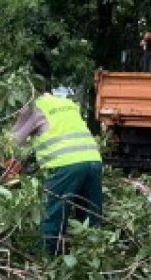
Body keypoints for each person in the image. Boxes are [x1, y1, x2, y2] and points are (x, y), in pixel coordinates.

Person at [10, 89, 103, 255]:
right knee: (90, 220)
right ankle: (93, 261)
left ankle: (45, 263)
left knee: (52, 216)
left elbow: (13, 142)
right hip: (93, 161)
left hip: (66, 165)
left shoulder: (32, 107)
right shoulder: (66, 103)